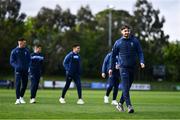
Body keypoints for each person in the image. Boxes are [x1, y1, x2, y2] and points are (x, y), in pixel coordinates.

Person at [109, 25, 145, 113]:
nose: (127, 32)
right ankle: (129, 106)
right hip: (123, 68)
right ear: (122, 32)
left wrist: (142, 61)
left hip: (133, 67)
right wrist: (111, 68)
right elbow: (113, 56)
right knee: (125, 87)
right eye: (125, 31)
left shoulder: (135, 41)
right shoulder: (118, 42)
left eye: (128, 31)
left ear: (130, 31)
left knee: (127, 88)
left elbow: (140, 52)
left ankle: (120, 103)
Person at [10, 38, 30, 104]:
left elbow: (29, 60)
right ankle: (17, 99)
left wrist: (28, 67)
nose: (24, 44)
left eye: (25, 43)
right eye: (23, 43)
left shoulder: (26, 51)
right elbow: (12, 61)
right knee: (18, 84)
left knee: (24, 85)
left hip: (25, 70)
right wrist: (16, 66)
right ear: (19, 42)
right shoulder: (14, 51)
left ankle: (21, 97)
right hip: (18, 70)